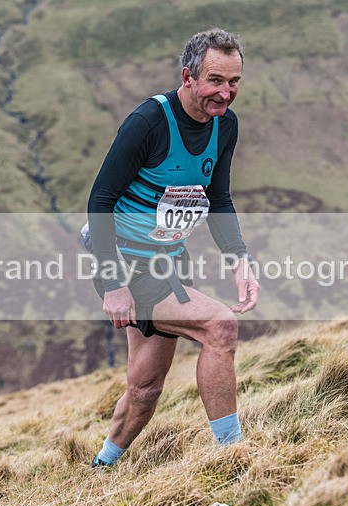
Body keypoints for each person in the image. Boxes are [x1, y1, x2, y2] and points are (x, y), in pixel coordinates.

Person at [86, 28, 259, 467]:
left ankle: (103, 464)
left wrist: (239, 261)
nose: (226, 93)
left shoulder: (225, 125)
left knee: (145, 389)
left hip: (170, 263)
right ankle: (234, 457)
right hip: (126, 262)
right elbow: (100, 201)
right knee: (219, 327)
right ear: (188, 76)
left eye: (234, 81)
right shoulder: (148, 122)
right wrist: (112, 285)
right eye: (216, 81)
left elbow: (217, 198)